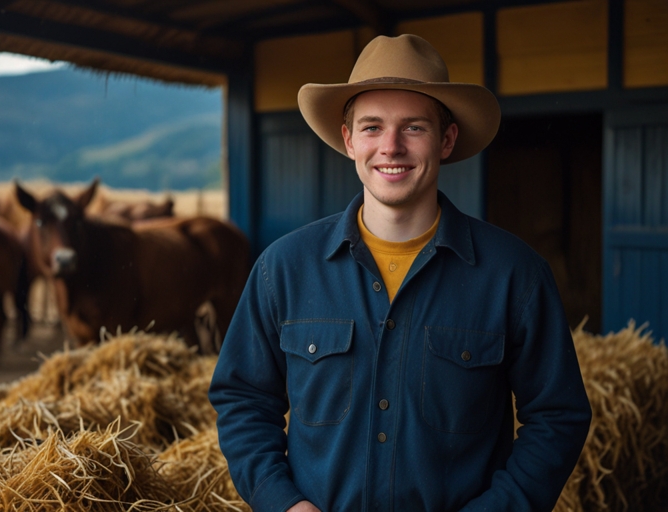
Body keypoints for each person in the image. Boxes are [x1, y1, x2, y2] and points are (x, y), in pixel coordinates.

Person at [209, 34, 592, 512]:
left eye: (413, 128)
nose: (390, 147)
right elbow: (243, 399)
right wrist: (283, 502)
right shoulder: (282, 269)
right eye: (372, 127)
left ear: (446, 140)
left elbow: (557, 416)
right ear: (349, 140)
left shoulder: (515, 275)